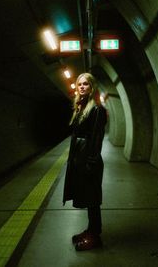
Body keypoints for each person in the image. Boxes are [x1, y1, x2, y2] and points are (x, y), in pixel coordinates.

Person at [63, 72, 107, 251]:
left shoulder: (97, 109)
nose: (82, 87)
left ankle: (95, 235)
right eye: (79, 84)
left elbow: (97, 138)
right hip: (80, 159)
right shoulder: (81, 107)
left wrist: (91, 162)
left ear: (92, 87)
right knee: (88, 198)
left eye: (86, 84)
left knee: (93, 199)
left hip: (89, 159)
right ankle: (90, 230)